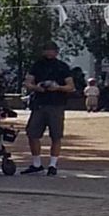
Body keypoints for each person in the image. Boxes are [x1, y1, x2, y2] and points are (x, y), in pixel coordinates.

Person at [23, 41, 77, 175]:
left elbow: (71, 86)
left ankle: (53, 165)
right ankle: (37, 164)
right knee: (32, 133)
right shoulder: (37, 65)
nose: (49, 52)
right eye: (46, 50)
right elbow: (28, 83)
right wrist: (37, 87)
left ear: (56, 52)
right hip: (39, 104)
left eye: (51, 50)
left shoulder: (62, 67)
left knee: (56, 136)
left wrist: (57, 87)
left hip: (56, 104)